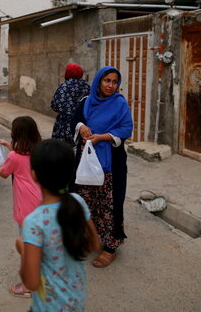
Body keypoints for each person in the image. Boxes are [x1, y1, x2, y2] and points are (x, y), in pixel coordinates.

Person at [17, 139, 100, 311]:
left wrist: (23, 249)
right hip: (76, 301)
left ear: (34, 175)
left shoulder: (34, 222)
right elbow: (95, 244)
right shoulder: (77, 201)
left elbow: (31, 283)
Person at [72, 66, 133, 268]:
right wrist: (81, 128)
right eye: (107, 80)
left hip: (110, 163)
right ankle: (90, 237)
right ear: (99, 81)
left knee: (108, 203)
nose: (110, 85)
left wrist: (103, 137)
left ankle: (110, 247)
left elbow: (126, 129)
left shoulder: (119, 104)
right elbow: (75, 119)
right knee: (86, 199)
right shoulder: (86, 101)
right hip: (86, 160)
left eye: (115, 82)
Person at [0, 116, 42, 299]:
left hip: (25, 208)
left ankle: (28, 286)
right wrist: (9, 147)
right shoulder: (39, 152)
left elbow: (3, 173)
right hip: (41, 204)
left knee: (27, 248)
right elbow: (22, 160)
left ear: (16, 134)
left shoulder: (14, 157)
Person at [50, 63, 90, 146]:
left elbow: (54, 104)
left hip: (65, 122)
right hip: (81, 122)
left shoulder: (64, 86)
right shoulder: (87, 86)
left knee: (62, 148)